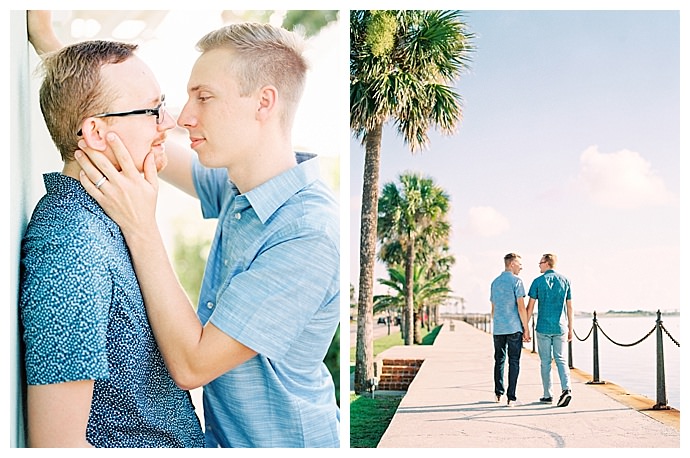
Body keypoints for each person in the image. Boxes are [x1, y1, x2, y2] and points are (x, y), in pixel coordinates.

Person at [73, 21, 340, 447]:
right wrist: (61, 60)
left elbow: (193, 365)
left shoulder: (307, 233)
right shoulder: (241, 184)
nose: (184, 116)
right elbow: (145, 145)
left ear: (263, 103)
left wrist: (140, 226)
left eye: (204, 97)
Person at [19, 13, 204, 447]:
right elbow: (57, 447)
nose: (167, 124)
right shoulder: (71, 247)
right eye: (151, 111)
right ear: (96, 132)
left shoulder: (110, 217)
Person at [526, 253, 573, 407]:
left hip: (543, 327)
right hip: (560, 327)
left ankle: (547, 395)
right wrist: (570, 328)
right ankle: (567, 389)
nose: (539, 265)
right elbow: (569, 307)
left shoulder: (538, 282)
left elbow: (530, 307)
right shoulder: (565, 281)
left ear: (546, 263)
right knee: (561, 359)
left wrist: (525, 327)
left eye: (540, 262)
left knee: (545, 362)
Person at [490, 253, 531, 407]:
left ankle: (498, 393)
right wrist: (526, 328)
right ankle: (511, 397)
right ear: (512, 263)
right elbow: (521, 307)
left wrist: (498, 322)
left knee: (499, 361)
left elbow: (493, 308)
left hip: (499, 328)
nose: (521, 267)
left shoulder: (495, 283)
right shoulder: (517, 281)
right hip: (514, 328)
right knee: (514, 362)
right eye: (519, 264)